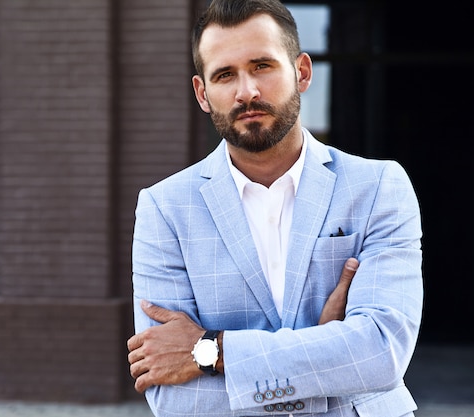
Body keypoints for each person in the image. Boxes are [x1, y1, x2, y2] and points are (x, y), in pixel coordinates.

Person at [127, 0, 423, 416]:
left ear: (301, 72)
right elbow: (175, 396)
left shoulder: (377, 188)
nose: (246, 91)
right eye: (225, 75)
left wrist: (211, 350)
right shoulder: (165, 208)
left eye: (262, 66)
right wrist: (326, 358)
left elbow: (382, 352)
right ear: (203, 93)